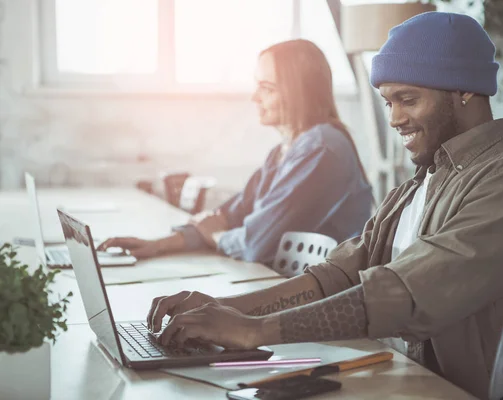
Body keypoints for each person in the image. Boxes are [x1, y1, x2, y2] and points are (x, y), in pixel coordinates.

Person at [143, 12, 503, 398]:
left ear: (464, 91)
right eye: (388, 102)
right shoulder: (423, 181)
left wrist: (254, 330)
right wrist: (227, 309)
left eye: (408, 99)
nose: (393, 118)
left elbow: (403, 295)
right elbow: (336, 276)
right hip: (392, 378)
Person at [99, 40, 372, 266]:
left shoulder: (320, 149)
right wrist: (157, 245)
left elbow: (255, 244)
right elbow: (232, 213)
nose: (255, 97)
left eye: (266, 88)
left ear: (297, 92)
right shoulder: (284, 150)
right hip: (282, 285)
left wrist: (217, 235)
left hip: (317, 302)